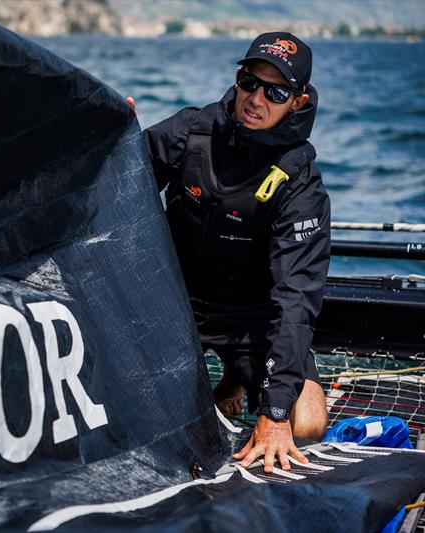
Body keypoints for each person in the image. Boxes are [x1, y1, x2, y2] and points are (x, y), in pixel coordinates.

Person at [129, 32, 330, 473]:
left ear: (296, 102)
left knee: (308, 423)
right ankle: (224, 378)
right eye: (248, 81)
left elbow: (295, 299)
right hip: (172, 300)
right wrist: (111, 133)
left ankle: (238, 374)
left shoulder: (300, 186)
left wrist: (275, 413)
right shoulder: (191, 130)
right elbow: (119, 177)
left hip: (248, 317)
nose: (255, 98)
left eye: (275, 91)